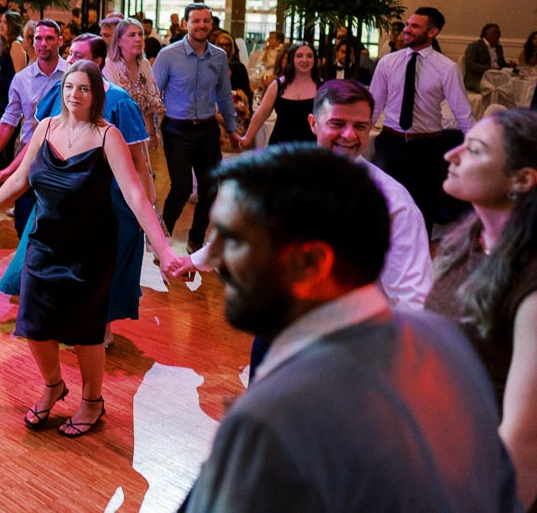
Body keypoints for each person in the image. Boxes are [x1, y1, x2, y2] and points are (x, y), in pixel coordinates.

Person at [181, 145, 519, 512]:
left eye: (234, 241)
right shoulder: (446, 340)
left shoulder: (271, 418)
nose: (214, 260)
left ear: (311, 262)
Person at [0, 62, 178, 437]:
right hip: (44, 242)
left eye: (83, 89)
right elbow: (18, 181)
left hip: (90, 250)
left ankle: (92, 400)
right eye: (69, 87)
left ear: (96, 95)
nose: (74, 95)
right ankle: (52, 385)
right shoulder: (46, 128)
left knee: (84, 330)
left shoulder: (107, 135)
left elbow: (135, 197)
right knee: (33, 324)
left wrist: (165, 251)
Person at [177, 79, 434, 314]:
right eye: (337, 123)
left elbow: (412, 295)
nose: (349, 135)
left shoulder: (393, 203)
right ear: (313, 123)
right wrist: (196, 260)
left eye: (360, 126)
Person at [426, 108, 537, 508]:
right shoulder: (463, 243)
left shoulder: (530, 278)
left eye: (473, 150)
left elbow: (524, 440)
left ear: (522, 179)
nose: (450, 155)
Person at [369, 6, 473, 231]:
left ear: (432, 32)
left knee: (422, 209)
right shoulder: (388, 63)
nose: (406, 30)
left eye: (414, 26)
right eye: (407, 24)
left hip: (427, 146)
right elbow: (374, 104)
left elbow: (462, 112)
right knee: (385, 206)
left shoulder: (447, 68)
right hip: (390, 143)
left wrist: (477, 146)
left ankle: (419, 260)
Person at [153, 3, 239, 253]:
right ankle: (161, 240)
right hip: (177, 130)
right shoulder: (168, 55)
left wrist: (232, 129)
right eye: (196, 21)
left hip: (208, 129)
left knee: (210, 188)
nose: (201, 25)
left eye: (206, 21)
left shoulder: (220, 57)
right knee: (180, 188)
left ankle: (196, 240)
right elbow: (153, 94)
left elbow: (224, 95)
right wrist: (153, 129)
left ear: (211, 24)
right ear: (185, 24)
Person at [0, 19, 68, 236]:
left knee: (56, 221)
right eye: (38, 38)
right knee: (23, 223)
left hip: (64, 155)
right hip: (28, 154)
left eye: (49, 38)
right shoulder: (22, 79)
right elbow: (9, 121)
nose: (43, 44)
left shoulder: (72, 75)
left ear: (60, 41)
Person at [239, 40, 321, 149]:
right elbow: (261, 113)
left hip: (311, 147)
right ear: (292, 59)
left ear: (315, 60)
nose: (304, 60)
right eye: (299, 56)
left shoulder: (322, 87)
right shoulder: (277, 85)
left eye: (309, 56)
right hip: (280, 146)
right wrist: (247, 138)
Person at [103, 17, 164, 151]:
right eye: (131, 35)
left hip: (140, 134)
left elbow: (149, 104)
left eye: (140, 34)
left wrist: (152, 134)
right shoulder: (108, 66)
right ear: (118, 41)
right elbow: (113, 104)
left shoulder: (144, 64)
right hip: (114, 133)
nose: (138, 39)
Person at [465, 23, 510, 92]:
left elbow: (502, 64)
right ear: (486, 34)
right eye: (496, 33)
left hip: (497, 78)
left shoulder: (499, 48)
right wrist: (489, 69)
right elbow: (470, 64)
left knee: (509, 88)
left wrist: (510, 65)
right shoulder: (475, 46)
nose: (499, 36)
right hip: (478, 78)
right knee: (492, 90)